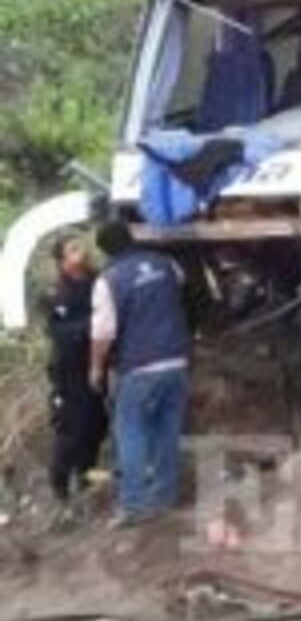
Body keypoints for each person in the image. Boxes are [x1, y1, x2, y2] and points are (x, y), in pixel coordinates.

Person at [89, 221, 191, 528]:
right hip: (176, 361)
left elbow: (103, 333)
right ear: (131, 238)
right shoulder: (167, 264)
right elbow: (181, 288)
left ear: (105, 250)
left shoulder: (109, 280)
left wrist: (95, 367)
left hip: (139, 366)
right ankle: (165, 496)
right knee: (166, 431)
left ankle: (133, 506)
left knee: (130, 432)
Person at [45, 235, 108, 504]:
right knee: (72, 427)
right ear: (61, 260)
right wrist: (91, 324)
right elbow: (57, 332)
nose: (80, 252)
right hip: (70, 369)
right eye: (72, 249)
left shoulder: (99, 281)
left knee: (97, 423)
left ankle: (86, 475)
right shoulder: (56, 293)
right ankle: (59, 481)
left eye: (80, 246)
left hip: (100, 362)